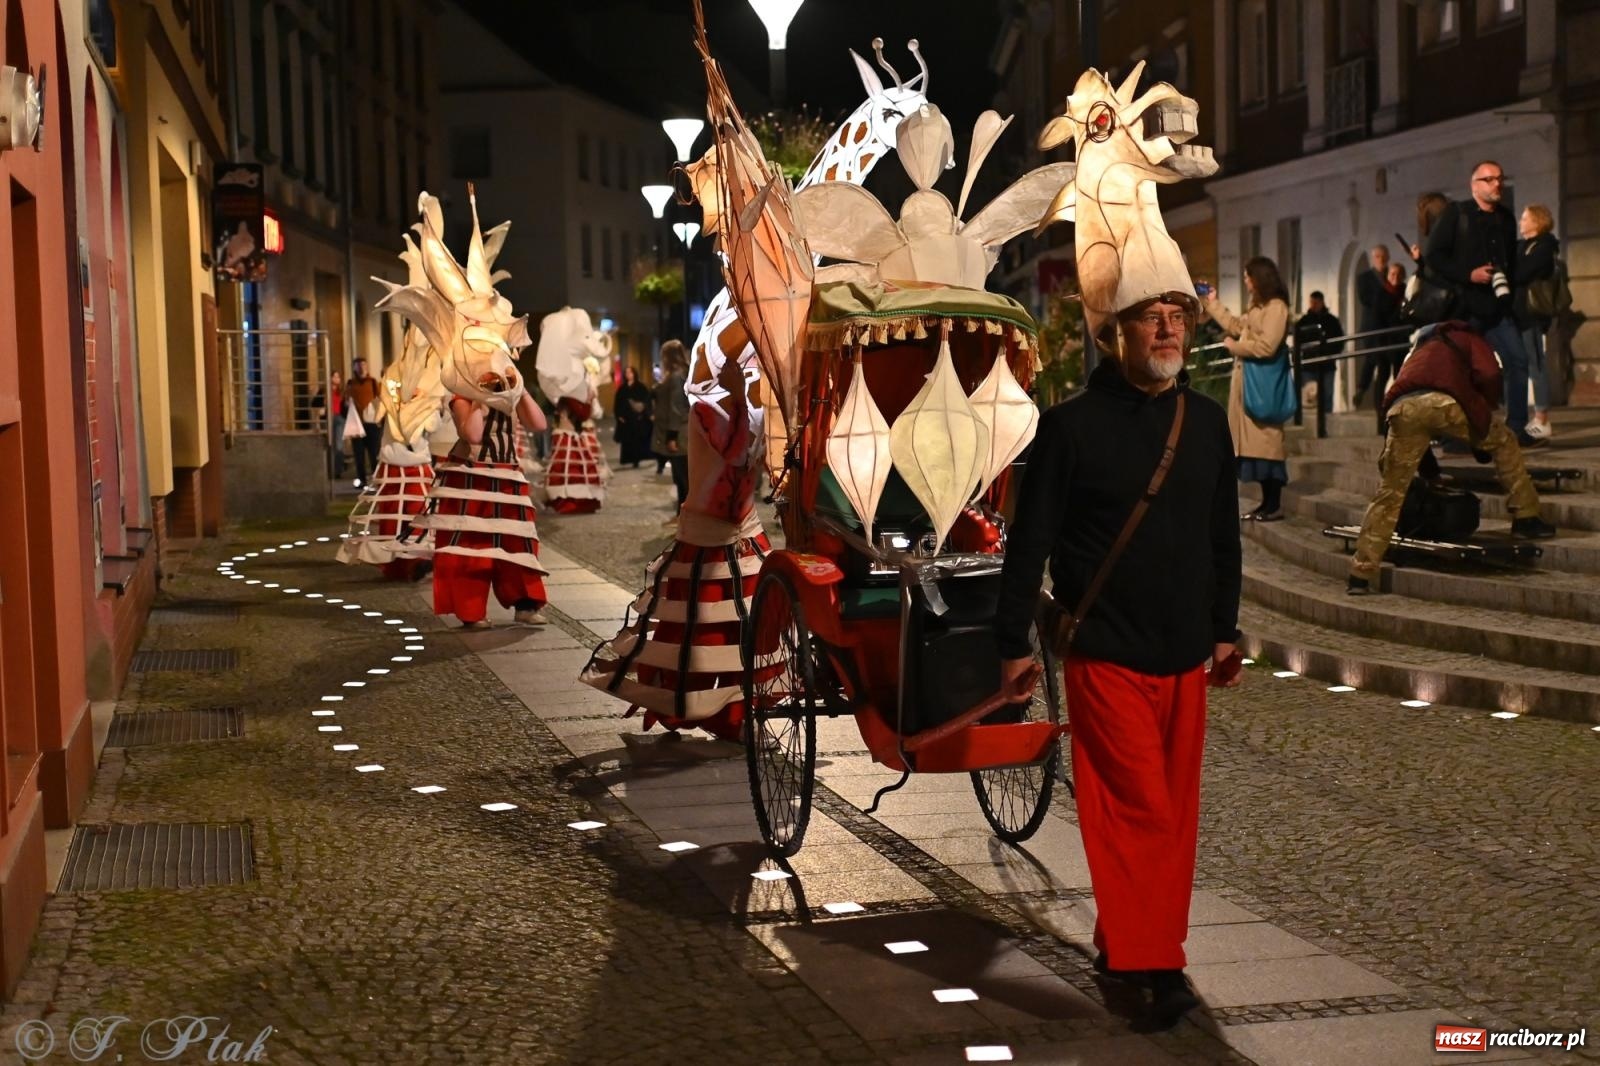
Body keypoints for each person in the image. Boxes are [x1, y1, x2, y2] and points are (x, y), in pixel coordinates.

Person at [996, 290, 1242, 1029]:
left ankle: (1125, 940)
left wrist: (1224, 627)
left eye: (1178, 315)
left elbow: (1222, 531)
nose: (1168, 328)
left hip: (1184, 656)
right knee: (1140, 813)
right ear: (1116, 334)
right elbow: (1029, 542)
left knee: (1175, 815)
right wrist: (1012, 640)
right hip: (1105, 655)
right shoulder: (1068, 428)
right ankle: (1154, 964)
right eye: (1150, 316)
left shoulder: (1203, 422)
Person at [1347, 322, 1555, 594]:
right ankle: (1526, 515)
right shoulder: (1468, 336)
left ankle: (1361, 572)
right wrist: (1485, 411)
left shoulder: (1420, 349)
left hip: (1402, 408)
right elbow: (1490, 373)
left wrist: (1430, 473)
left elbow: (1412, 415)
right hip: (1445, 402)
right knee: (1504, 440)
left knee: (1390, 492)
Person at [410, 381, 552, 628]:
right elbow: (473, 435)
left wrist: (521, 387)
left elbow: (539, 424)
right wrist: (479, 397)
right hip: (473, 475)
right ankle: (471, 610)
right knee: (473, 547)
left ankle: (526, 604)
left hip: (508, 474)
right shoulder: (461, 395)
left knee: (520, 543)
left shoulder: (509, 394)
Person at [1425, 160, 1542, 446]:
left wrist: (1508, 289)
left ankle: (1515, 428)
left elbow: (1510, 261)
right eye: (1489, 180)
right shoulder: (1457, 214)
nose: (1497, 184)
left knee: (1517, 360)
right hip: (1465, 306)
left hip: (1497, 308)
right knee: (1461, 370)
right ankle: (1456, 434)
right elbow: (1435, 257)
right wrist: (1468, 274)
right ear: (1474, 185)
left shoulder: (1505, 217)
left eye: (1500, 179)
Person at [1204, 257, 1292, 521]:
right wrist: (1212, 303)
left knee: (1267, 445)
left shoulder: (1276, 308)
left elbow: (1268, 345)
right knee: (1256, 448)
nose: (1245, 280)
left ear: (1259, 277)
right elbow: (1236, 325)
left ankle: (1273, 503)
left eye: (1248, 276)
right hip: (1251, 384)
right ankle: (1266, 503)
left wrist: (1235, 347)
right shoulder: (1258, 306)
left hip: (1263, 386)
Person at [1515, 203, 1559, 441]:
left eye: (1525, 218)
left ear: (1537, 222)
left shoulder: (1544, 246)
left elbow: (1521, 273)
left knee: (1536, 363)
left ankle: (1542, 417)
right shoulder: (1523, 246)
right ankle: (1527, 416)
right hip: (1518, 312)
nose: (1521, 221)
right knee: (1522, 364)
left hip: (1532, 313)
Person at [1353, 245, 1403, 409]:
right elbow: (1365, 299)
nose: (1381, 260)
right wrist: (1385, 292)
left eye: (1383, 256)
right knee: (1373, 359)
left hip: (1390, 328)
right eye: (1377, 257)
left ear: (1387, 257)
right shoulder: (1365, 278)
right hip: (1372, 326)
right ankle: (1362, 389)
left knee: (1386, 367)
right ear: (1373, 258)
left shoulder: (1393, 274)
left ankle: (1383, 402)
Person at [651, 341, 691, 520]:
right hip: (684, 431)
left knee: (682, 477)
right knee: (682, 476)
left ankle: (685, 516)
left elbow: (676, 408)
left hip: (680, 433)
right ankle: (681, 514)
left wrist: (672, 436)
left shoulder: (675, 376)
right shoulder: (683, 373)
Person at [1292, 291, 1343, 415]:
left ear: (1322, 302)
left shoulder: (1332, 321)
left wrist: (1329, 352)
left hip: (1327, 364)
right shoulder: (1303, 322)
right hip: (1308, 365)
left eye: (1316, 302)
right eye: (1311, 302)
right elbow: (1297, 342)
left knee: (1326, 396)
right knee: (1308, 397)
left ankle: (1326, 423)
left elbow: (1339, 341)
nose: (1313, 305)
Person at [345, 357, 383, 486]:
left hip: (371, 423)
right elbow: (346, 401)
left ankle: (376, 479)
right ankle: (362, 480)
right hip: (357, 424)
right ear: (354, 367)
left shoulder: (372, 382)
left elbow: (379, 399)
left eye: (364, 365)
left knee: (374, 454)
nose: (362, 368)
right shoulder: (350, 384)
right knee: (359, 455)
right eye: (359, 365)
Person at [614, 366, 655, 467]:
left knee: (638, 440)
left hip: (638, 418)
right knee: (628, 440)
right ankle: (629, 458)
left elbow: (646, 400)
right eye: (626, 373)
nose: (628, 375)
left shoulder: (640, 387)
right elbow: (617, 403)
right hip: (626, 419)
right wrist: (619, 415)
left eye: (630, 372)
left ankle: (637, 459)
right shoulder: (622, 388)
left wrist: (644, 413)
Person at [312, 369, 348, 479]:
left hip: (339, 418)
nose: (337, 379)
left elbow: (345, 407)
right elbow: (314, 404)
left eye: (338, 377)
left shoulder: (342, 391)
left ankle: (337, 471)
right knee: (328, 444)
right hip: (327, 418)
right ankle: (328, 470)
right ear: (330, 378)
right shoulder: (324, 391)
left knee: (339, 445)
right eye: (335, 376)